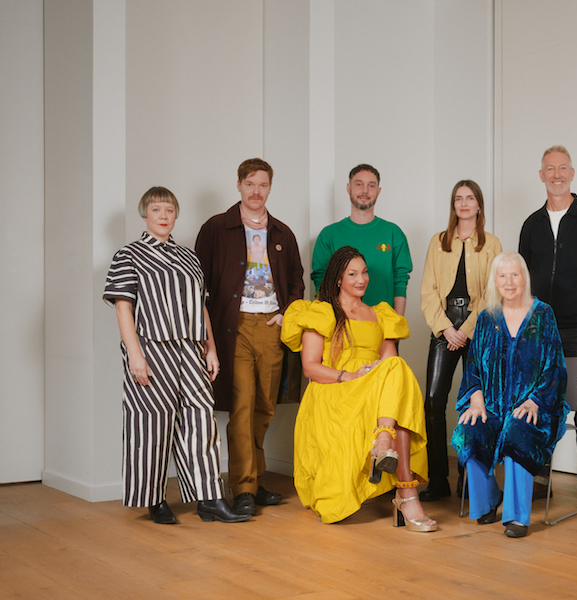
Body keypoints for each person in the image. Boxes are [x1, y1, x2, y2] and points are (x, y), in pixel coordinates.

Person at [103, 187, 251, 524]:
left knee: (201, 421)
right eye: (157, 210)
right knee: (151, 425)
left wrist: (210, 348)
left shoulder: (189, 258)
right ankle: (154, 500)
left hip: (191, 349)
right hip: (151, 349)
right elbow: (123, 308)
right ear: (145, 214)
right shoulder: (128, 255)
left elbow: (201, 306)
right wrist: (135, 355)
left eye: (169, 210)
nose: (164, 216)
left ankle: (209, 498)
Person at [281, 246, 436, 531]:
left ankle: (390, 458)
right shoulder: (322, 312)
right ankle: (403, 488)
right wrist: (349, 375)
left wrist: (372, 374)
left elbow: (391, 363)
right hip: (334, 385)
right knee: (396, 397)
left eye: (364, 273)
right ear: (338, 278)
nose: (361, 279)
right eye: (352, 273)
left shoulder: (379, 314)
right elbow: (310, 367)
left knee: (396, 374)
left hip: (373, 386)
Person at [195, 158, 305, 517]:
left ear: (270, 188)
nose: (256, 191)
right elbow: (201, 283)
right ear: (239, 186)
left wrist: (286, 313)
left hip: (270, 327)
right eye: (250, 184)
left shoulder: (281, 233)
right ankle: (242, 486)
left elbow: (295, 280)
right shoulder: (216, 228)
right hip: (234, 327)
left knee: (264, 406)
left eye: (263, 185)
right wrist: (205, 333)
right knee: (241, 406)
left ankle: (254, 480)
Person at [519, 144, 577, 507]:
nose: (556, 175)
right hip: (539, 332)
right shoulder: (531, 225)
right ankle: (541, 474)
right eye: (549, 169)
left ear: (572, 174)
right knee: (539, 402)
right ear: (541, 176)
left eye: (563, 168)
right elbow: (521, 280)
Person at [452, 252, 569, 538]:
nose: (509, 281)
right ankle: (489, 501)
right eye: (502, 276)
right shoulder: (485, 318)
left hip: (535, 407)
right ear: (494, 281)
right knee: (468, 430)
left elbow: (555, 367)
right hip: (491, 405)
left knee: (517, 428)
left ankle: (517, 517)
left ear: (525, 278)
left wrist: (535, 401)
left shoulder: (543, 314)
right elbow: (474, 366)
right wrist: (476, 400)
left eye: (514, 274)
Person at [419, 180, 502, 502]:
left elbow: (492, 293)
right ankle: (438, 479)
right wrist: (445, 328)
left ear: (479, 205)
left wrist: (466, 328)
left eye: (470, 199)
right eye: (458, 199)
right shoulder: (438, 242)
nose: (464, 204)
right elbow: (428, 291)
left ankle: (470, 480)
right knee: (433, 401)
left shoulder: (491, 243)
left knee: (474, 404)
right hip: (443, 327)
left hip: (477, 329)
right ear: (453, 205)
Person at [311, 164, 413, 315]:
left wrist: (397, 324)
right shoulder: (329, 235)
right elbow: (321, 281)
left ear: (378, 191)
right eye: (359, 184)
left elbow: (400, 281)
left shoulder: (393, 233)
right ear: (348, 188)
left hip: (383, 324)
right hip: (340, 323)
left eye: (371, 185)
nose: (365, 191)